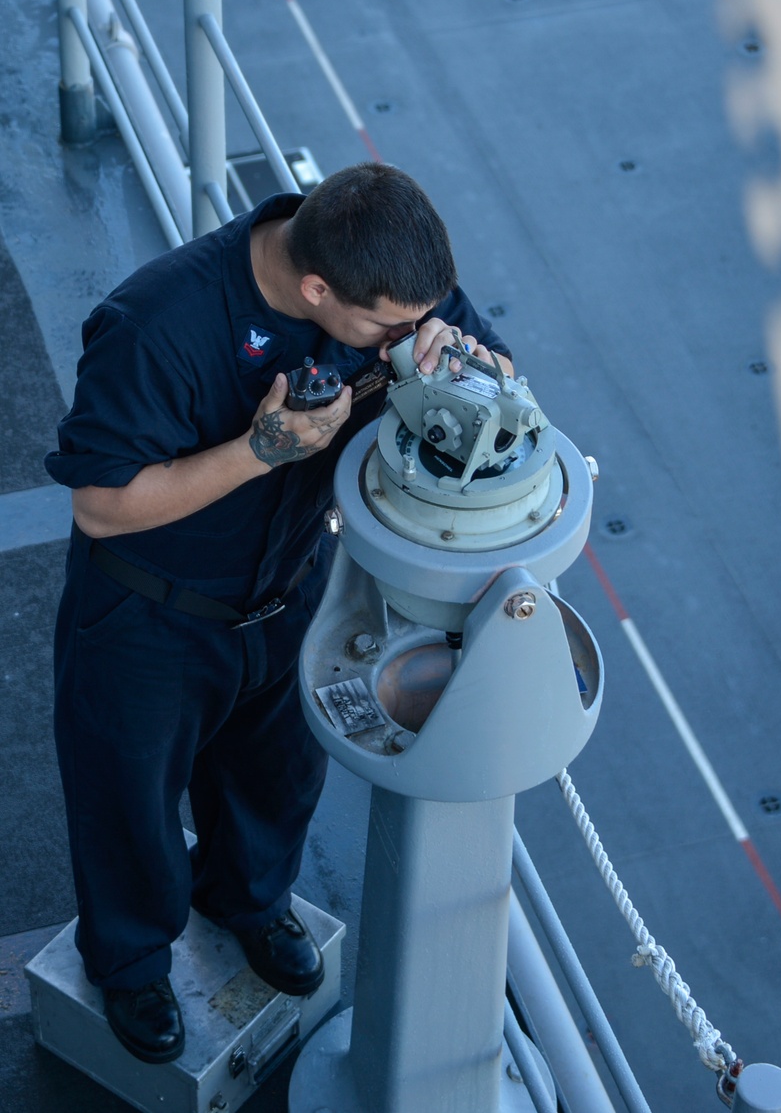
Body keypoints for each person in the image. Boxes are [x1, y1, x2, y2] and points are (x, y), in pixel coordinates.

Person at [45, 161, 513, 1064]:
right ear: (314, 289)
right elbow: (100, 505)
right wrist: (263, 450)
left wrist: (470, 375)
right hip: (150, 618)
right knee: (129, 802)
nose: (408, 338)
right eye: (390, 328)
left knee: (279, 776)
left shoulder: (389, 275)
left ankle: (251, 905)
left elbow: (472, 345)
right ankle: (133, 962)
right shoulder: (154, 326)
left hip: (294, 585)